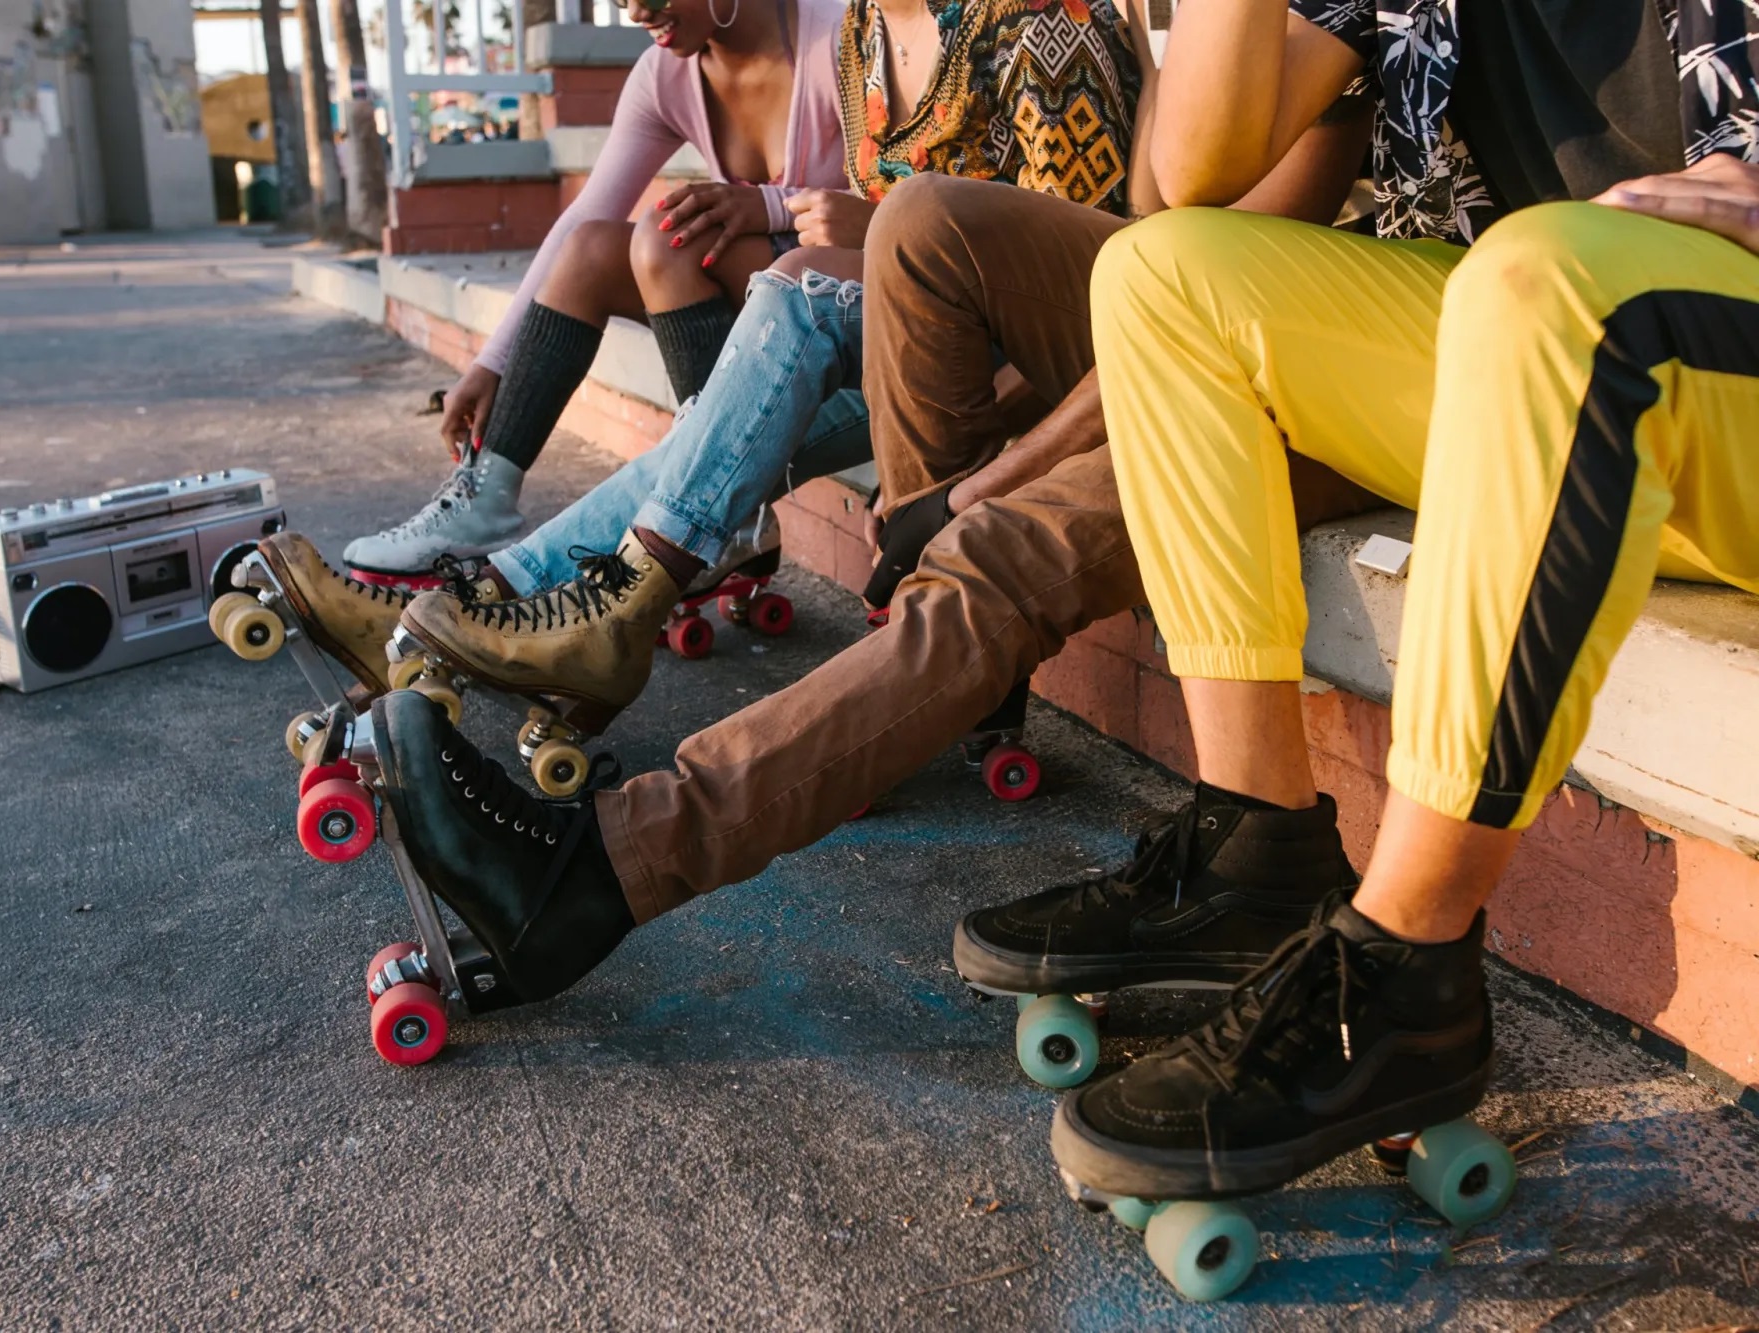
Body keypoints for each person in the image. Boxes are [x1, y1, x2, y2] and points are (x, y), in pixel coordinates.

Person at [949, 0, 1759, 1205]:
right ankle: (1253, 850)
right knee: (1165, 277)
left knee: (1535, 277)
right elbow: (1195, 172)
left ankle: (1406, 972)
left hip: (1687, 349)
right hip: (1554, 346)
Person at [351, 80, 1384, 999]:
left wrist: (978, 491)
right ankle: (913, 663)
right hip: (1250, 305)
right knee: (924, 221)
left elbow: (1198, 292)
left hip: (1349, 360)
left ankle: (599, 870)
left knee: (997, 545)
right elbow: (1165, 216)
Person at [388, 0, 1149, 741]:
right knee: (730, 399)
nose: (632, 12)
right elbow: (893, 238)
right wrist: (497, 358)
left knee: (794, 301)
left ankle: (591, 605)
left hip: (1028, 354)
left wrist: (998, 452)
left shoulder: (1038, 19)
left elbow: (1073, 276)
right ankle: (508, 589)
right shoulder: (863, 29)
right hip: (922, 326)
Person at [342, 0, 848, 587]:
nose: (635, 11)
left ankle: (724, 511)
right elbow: (586, 212)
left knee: (671, 240)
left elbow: (899, 195)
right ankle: (486, 501)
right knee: (590, 249)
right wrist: (493, 363)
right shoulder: (666, 73)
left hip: (843, 294)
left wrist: (769, 204)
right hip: (763, 295)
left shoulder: (836, 34)